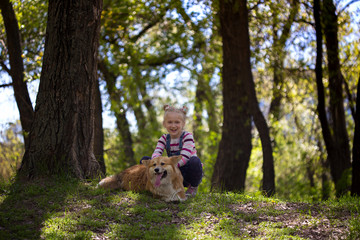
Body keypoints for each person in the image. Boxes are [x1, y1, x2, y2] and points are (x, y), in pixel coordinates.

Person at [141, 104, 203, 197]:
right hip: (172, 171)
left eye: (177, 122)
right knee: (145, 160)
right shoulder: (164, 138)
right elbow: (157, 153)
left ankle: (192, 187)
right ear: (164, 124)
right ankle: (154, 186)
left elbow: (185, 156)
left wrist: (171, 166)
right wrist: (155, 164)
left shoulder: (187, 136)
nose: (173, 125)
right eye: (170, 122)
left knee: (195, 161)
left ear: (183, 123)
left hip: (186, 171)